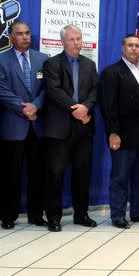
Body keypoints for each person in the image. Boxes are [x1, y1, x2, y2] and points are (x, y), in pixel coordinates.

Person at [0, 21, 49, 229]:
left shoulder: (43, 59)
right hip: (13, 126)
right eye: (20, 34)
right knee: (10, 174)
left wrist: (36, 106)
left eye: (27, 33)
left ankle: (35, 214)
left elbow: (47, 89)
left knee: (38, 174)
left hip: (37, 127)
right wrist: (24, 108)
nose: (25, 37)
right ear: (11, 37)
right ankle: (8, 216)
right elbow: (1, 90)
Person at [42, 24, 99, 232]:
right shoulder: (51, 64)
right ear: (62, 42)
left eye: (79, 39)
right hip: (59, 129)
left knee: (83, 173)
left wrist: (86, 107)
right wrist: (77, 109)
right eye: (72, 39)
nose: (77, 43)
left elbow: (95, 90)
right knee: (55, 174)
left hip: (84, 129)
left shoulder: (89, 64)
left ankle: (81, 214)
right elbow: (54, 91)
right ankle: (54, 217)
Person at [99, 35, 139, 229]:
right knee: (120, 177)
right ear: (122, 48)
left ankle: (138, 212)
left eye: (137, 46)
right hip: (123, 135)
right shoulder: (111, 73)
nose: (134, 49)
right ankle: (117, 215)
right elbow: (108, 106)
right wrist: (113, 132)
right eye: (130, 45)